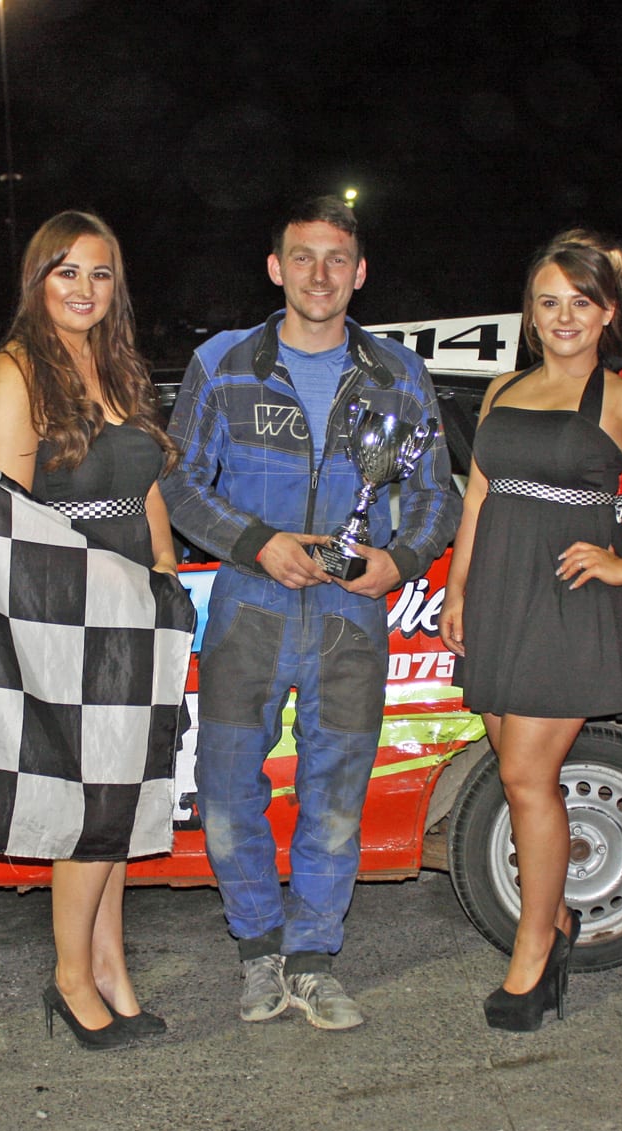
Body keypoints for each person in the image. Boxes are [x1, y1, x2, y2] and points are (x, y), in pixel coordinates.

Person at [160, 195, 460, 1030]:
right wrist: (256, 541)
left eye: (336, 260)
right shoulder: (224, 363)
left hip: (350, 618)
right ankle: (258, 952)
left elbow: (436, 497)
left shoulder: (398, 374)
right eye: (303, 257)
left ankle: (314, 958)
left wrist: (398, 561)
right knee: (226, 792)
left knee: (335, 794)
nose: (319, 275)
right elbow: (180, 483)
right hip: (249, 607)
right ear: (275, 268)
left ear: (359, 273)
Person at [439, 234, 622, 1032]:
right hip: (496, 597)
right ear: (531, 312)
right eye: (549, 302)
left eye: (580, 303)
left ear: (607, 315)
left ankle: (535, 948)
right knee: (517, 768)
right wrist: (459, 587)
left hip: (567, 602)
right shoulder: (501, 391)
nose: (563, 317)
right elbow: (480, 496)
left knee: (525, 776)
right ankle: (555, 921)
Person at [0, 211, 181, 1049]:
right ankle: (69, 978)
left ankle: (111, 965)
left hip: (140, 605)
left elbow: (147, 487)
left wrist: (166, 576)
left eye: (99, 274)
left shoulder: (118, 368)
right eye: (67, 272)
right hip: (69, 612)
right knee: (90, 807)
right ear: (38, 280)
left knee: (122, 803)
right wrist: (83, 602)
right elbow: (7, 520)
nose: (84, 290)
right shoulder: (14, 373)